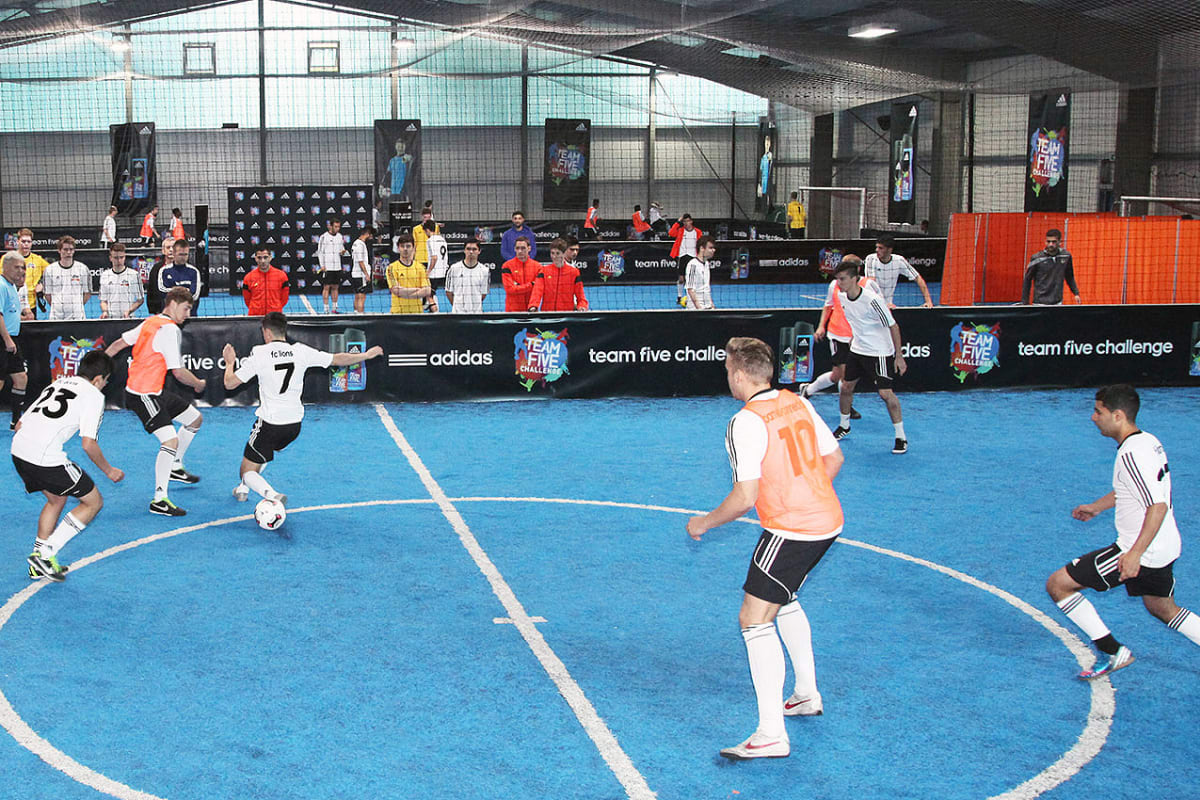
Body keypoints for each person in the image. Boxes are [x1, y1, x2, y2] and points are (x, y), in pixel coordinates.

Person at [687, 336, 844, 760]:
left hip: (792, 529)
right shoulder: (796, 402)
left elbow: (744, 496)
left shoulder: (745, 421)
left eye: (726, 371)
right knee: (785, 599)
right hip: (827, 520)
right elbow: (833, 460)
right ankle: (807, 693)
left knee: (754, 620)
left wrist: (703, 522)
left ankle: (772, 733)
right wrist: (807, 492)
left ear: (739, 374)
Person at [1046, 384, 1200, 679]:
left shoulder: (1131, 453)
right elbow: (1130, 490)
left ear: (1117, 415)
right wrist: (1097, 507)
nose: (1093, 417)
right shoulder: (1148, 442)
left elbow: (1157, 506)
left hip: (1140, 549)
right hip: (1165, 544)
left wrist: (1134, 555)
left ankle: (1113, 651)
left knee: (1059, 585)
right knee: (1162, 608)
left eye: (1098, 411)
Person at [223, 312, 384, 507]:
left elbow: (230, 384)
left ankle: (271, 495)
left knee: (246, 471)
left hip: (270, 424)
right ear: (284, 331)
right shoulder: (301, 351)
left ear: (266, 333)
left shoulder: (259, 353)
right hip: (293, 426)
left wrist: (230, 362)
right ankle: (243, 489)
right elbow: (336, 359)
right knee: (262, 452)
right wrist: (365, 355)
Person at [11, 351, 124, 582]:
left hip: (18, 450)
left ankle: (38, 559)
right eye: (106, 380)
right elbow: (88, 444)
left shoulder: (59, 382)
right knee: (93, 502)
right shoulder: (94, 395)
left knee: (56, 499)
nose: (104, 385)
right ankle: (45, 554)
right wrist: (109, 470)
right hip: (44, 458)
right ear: (98, 379)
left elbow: (20, 424)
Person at [105, 287, 206, 517]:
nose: (188, 314)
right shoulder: (169, 330)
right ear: (172, 303)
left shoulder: (151, 322)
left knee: (194, 419)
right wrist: (198, 384)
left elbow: (119, 344)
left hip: (153, 391)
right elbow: (178, 373)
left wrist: (99, 363)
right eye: (186, 308)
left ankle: (176, 466)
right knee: (169, 440)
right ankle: (160, 499)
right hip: (144, 395)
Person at [831, 259, 909, 454]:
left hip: (879, 352)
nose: (839, 283)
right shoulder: (841, 297)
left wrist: (899, 357)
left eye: (843, 279)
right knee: (846, 387)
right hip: (858, 349)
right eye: (837, 279)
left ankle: (901, 437)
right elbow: (854, 320)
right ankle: (844, 425)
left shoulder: (873, 300)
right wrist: (852, 339)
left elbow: (893, 326)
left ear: (855, 279)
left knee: (885, 394)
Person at [802, 256, 865, 421]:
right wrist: (821, 326)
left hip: (856, 337)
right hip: (837, 335)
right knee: (846, 374)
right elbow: (828, 305)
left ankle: (807, 390)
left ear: (856, 271)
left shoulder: (868, 285)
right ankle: (847, 407)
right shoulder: (835, 285)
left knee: (836, 376)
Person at [1, 251, 30, 430]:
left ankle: (15, 422)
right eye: (17, 267)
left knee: (21, 378)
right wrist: (7, 340)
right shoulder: (1, 286)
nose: (21, 271)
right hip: (4, 339)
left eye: (23, 267)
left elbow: (10, 312)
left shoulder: (11, 286)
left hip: (12, 339)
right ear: (5, 267)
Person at [864, 236, 933, 308]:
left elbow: (918, 278)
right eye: (877, 247)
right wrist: (882, 304)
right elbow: (871, 284)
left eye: (880, 248)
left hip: (888, 306)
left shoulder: (899, 260)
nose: (877, 250)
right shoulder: (870, 259)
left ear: (889, 250)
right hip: (870, 304)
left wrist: (928, 301)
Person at [1022, 228, 1082, 305]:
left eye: (1054, 242)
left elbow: (1069, 276)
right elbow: (1027, 279)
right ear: (1045, 242)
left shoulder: (1066, 256)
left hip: (1057, 303)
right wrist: (1025, 302)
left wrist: (1076, 293)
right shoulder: (1037, 258)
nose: (1050, 244)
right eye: (1048, 241)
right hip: (1040, 303)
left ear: (1060, 242)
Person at [529, 238, 588, 312]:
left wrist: (582, 306)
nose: (554, 256)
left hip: (567, 315)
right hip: (548, 314)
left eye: (557, 253)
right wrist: (533, 306)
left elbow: (581, 295)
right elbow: (537, 292)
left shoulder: (574, 272)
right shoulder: (543, 271)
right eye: (552, 253)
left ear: (564, 253)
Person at [43, 235, 92, 321]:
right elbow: (47, 295)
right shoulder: (50, 270)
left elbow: (87, 294)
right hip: (56, 316)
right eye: (65, 249)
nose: (68, 252)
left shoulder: (82, 268)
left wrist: (77, 306)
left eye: (71, 249)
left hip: (77, 316)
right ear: (59, 250)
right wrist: (58, 307)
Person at [386, 234, 434, 314]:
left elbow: (427, 290)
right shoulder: (391, 268)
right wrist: (417, 290)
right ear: (398, 248)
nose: (405, 249)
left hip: (417, 313)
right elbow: (396, 291)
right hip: (398, 313)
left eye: (408, 246)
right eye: (402, 246)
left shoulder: (420, 267)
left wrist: (405, 293)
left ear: (413, 248)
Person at [157, 239, 203, 315]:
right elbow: (162, 290)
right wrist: (185, 290)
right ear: (174, 253)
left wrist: (174, 290)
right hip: (170, 314)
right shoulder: (164, 270)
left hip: (189, 315)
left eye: (186, 254)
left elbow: (195, 295)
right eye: (180, 254)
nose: (183, 257)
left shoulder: (194, 271)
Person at [99, 243, 144, 319]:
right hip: (110, 319)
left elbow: (140, 300)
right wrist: (105, 311)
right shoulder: (105, 275)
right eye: (116, 258)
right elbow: (103, 301)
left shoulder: (134, 275)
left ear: (125, 257)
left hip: (128, 318)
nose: (119, 260)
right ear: (110, 258)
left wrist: (129, 311)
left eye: (121, 257)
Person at [446, 238, 489, 314]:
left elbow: (483, 294)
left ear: (479, 251)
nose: (471, 252)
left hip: (477, 314)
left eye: (474, 249)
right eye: (468, 249)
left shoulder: (484, 271)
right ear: (464, 250)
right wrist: (457, 307)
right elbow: (449, 292)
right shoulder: (454, 268)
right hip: (458, 314)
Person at [242, 248, 290, 316]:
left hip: (275, 316)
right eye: (259, 258)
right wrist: (256, 308)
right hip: (255, 315)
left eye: (265, 257)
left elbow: (284, 298)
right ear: (255, 258)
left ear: (270, 257)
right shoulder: (248, 277)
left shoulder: (281, 276)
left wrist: (275, 307)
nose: (263, 261)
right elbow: (247, 299)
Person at [669, 214, 703, 307]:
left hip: (693, 257)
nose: (686, 223)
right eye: (684, 222)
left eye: (688, 221)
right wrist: (677, 222)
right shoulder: (680, 231)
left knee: (692, 279)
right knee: (681, 278)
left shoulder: (698, 232)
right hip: (682, 256)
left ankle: (694, 297)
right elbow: (671, 233)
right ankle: (679, 296)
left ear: (691, 221)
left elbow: (701, 244)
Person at [501, 236, 541, 312]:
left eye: (523, 248)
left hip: (531, 310)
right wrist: (531, 285)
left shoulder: (537, 266)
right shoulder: (507, 266)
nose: (520, 251)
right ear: (514, 249)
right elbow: (510, 289)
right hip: (512, 311)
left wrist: (533, 305)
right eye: (517, 248)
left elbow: (537, 290)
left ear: (529, 248)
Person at [14, 228, 48, 319]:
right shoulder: (8, 259)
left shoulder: (38, 260)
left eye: (28, 242)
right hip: (12, 304)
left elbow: (53, 273)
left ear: (31, 243)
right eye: (23, 241)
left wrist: (42, 286)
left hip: (31, 305)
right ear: (18, 242)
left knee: (30, 332)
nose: (26, 244)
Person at [316, 219, 347, 314]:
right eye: (336, 226)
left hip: (337, 267)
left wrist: (342, 252)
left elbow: (341, 249)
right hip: (327, 267)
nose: (337, 228)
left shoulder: (340, 236)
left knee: (335, 287)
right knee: (326, 287)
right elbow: (320, 252)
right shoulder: (323, 237)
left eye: (339, 227)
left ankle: (334, 308)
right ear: (330, 226)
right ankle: (326, 308)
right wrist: (322, 265)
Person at [144, 236, 175, 315]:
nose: (171, 250)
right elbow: (151, 290)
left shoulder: (185, 268)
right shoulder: (156, 269)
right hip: (161, 310)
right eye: (168, 247)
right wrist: (153, 310)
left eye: (174, 247)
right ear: (163, 251)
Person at [685, 235, 717, 310]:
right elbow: (690, 289)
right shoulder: (692, 265)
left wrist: (712, 305)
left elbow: (706, 287)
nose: (713, 250)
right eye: (710, 248)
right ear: (702, 248)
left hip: (708, 307)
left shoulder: (706, 264)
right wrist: (699, 309)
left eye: (713, 248)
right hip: (695, 309)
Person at [424, 220, 449, 309]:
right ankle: (431, 306)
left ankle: (434, 309)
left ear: (427, 230)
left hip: (434, 272)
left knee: (429, 293)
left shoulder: (430, 240)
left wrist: (429, 271)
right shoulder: (442, 239)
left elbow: (434, 257)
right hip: (442, 270)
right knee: (432, 292)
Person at [350, 227, 374, 314]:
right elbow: (361, 261)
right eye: (371, 235)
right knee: (361, 296)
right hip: (360, 274)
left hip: (356, 273)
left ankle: (356, 313)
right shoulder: (360, 245)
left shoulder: (356, 243)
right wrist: (366, 274)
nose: (372, 237)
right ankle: (360, 315)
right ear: (367, 234)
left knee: (357, 295)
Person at [411, 206, 440, 274]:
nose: (426, 220)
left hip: (431, 259)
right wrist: (411, 259)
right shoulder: (416, 229)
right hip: (419, 258)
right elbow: (414, 246)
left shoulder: (436, 227)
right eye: (425, 217)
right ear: (421, 217)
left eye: (428, 218)